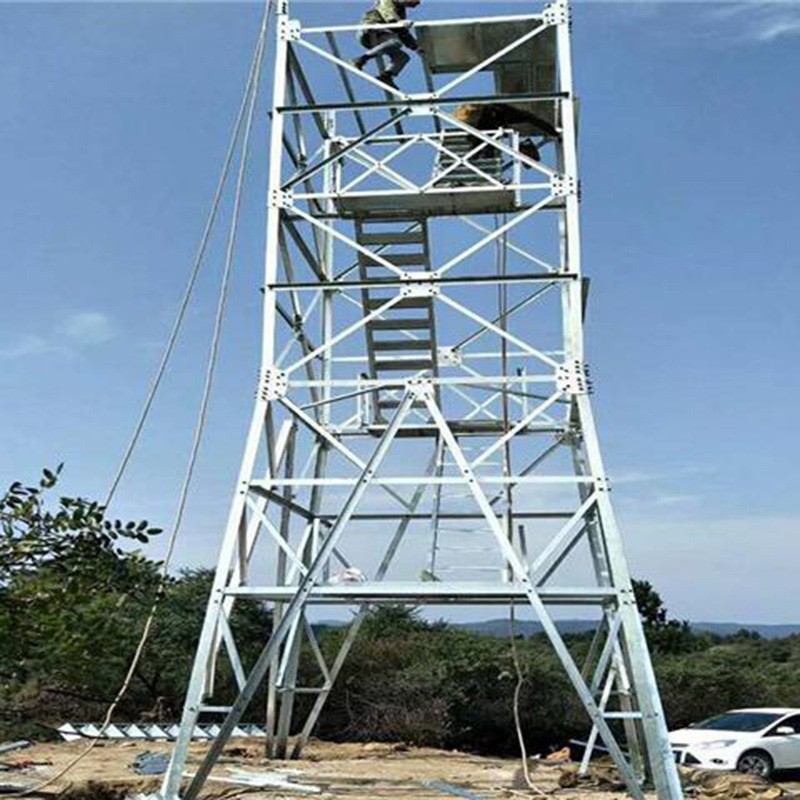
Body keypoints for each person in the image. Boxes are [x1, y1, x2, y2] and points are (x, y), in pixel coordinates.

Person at [452, 102, 559, 163]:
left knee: (483, 144)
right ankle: (477, 158)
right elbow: (530, 118)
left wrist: (552, 132)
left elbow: (530, 118)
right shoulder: (497, 112)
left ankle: (477, 159)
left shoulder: (497, 114)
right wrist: (553, 132)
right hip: (492, 115)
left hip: (491, 116)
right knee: (484, 144)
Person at [353, 0, 422, 89]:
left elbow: (402, 32)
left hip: (383, 36)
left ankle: (386, 77)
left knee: (402, 57)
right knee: (395, 42)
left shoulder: (400, 10)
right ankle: (360, 60)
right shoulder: (387, 1)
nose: (417, 3)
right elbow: (389, 16)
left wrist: (415, 47)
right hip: (372, 29)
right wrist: (400, 23)